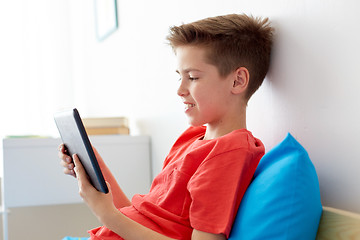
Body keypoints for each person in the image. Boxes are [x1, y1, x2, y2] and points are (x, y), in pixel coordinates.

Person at [59, 13, 273, 240]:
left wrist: (107, 215)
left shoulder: (229, 153)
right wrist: (94, 169)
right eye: (180, 77)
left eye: (192, 77)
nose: (180, 90)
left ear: (238, 81)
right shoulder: (191, 138)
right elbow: (141, 217)